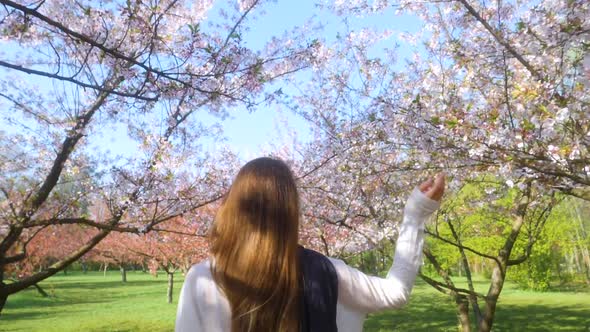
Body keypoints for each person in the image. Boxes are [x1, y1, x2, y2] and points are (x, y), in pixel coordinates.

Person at [175, 157, 444, 332]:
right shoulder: (324, 270)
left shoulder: (202, 279)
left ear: (233, 206)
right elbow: (395, 292)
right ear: (291, 212)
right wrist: (415, 214)